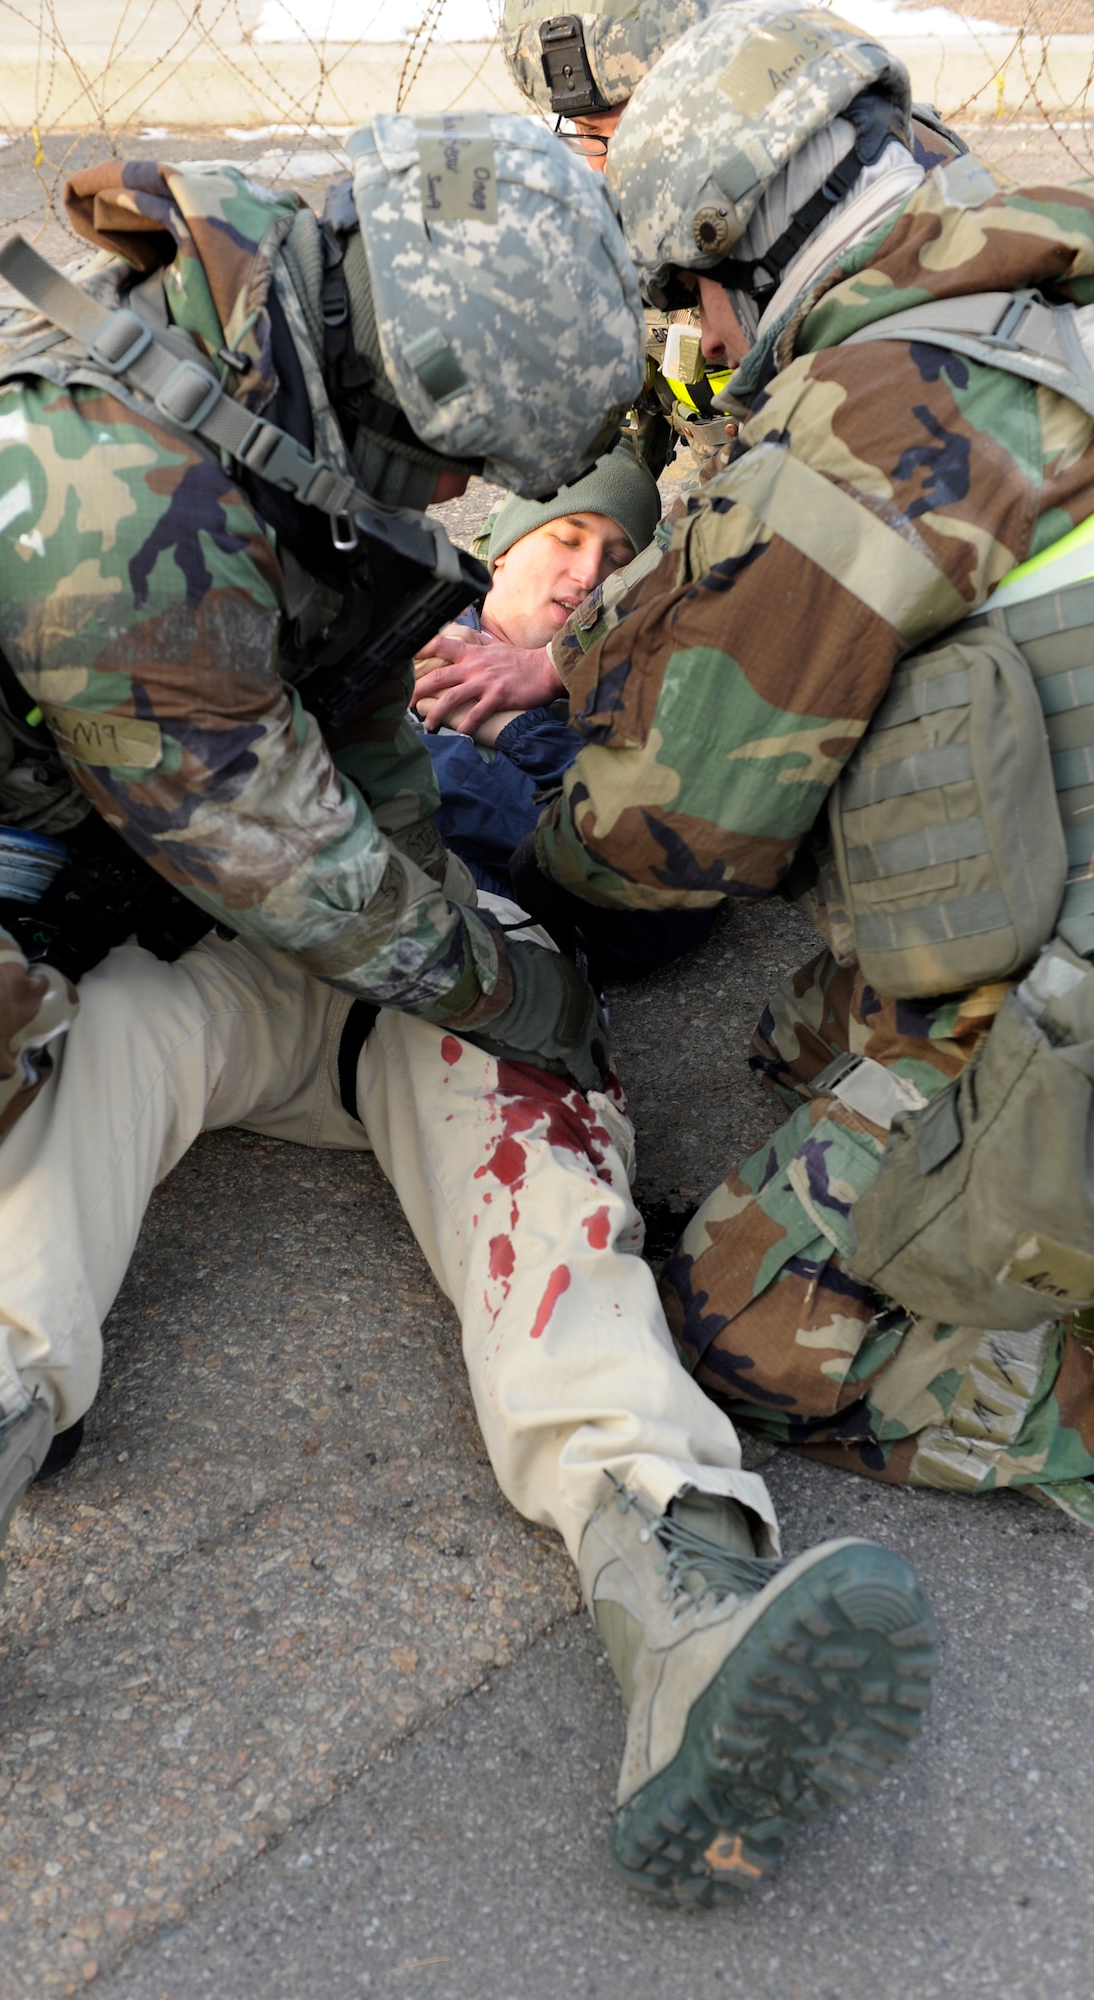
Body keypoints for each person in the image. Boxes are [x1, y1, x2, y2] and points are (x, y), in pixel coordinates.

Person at [0, 120, 940, 1910]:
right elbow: (290, 860)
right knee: (88, 1053)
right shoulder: (117, 485)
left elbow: (351, 751)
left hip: (315, 894)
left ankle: (680, 1582)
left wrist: (477, 917)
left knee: (532, 1154)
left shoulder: (287, 382)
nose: (500, 533)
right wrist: (507, 958)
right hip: (160, 888)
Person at [0, 114, 642, 1331]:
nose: (458, 494)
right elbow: (297, 871)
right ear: (398, 385)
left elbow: (352, 696)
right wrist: (519, 998)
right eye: (457, 463)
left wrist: (434, 889)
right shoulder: (128, 514)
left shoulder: (241, 354)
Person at [505, 0, 1094, 1522]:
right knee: (812, 1024)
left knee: (738, 1320)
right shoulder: (1039, 271)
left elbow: (664, 838)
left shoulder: (873, 418)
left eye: (692, 301)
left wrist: (515, 867)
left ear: (740, 253)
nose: (699, 344)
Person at [412, 0, 971, 737]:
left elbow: (772, 507)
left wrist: (564, 655)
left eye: (634, 120)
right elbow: (593, 430)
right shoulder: (586, 195)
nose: (608, 160)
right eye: (584, 132)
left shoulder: (845, 179)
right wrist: (523, 574)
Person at [416, 441, 713, 975]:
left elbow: (665, 909)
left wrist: (512, 727)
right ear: (502, 549)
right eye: (566, 538)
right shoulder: (400, 639)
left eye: (620, 561)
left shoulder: (631, 712)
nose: (589, 574)